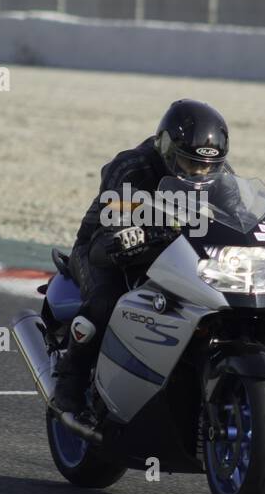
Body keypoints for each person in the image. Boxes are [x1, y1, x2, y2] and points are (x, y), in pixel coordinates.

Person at [50, 99, 230, 438]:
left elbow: (237, 212)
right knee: (107, 300)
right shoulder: (131, 166)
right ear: (165, 146)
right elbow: (111, 223)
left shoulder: (218, 173)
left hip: (172, 252)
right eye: (187, 163)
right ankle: (68, 392)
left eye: (205, 168)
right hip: (104, 248)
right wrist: (128, 231)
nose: (197, 174)